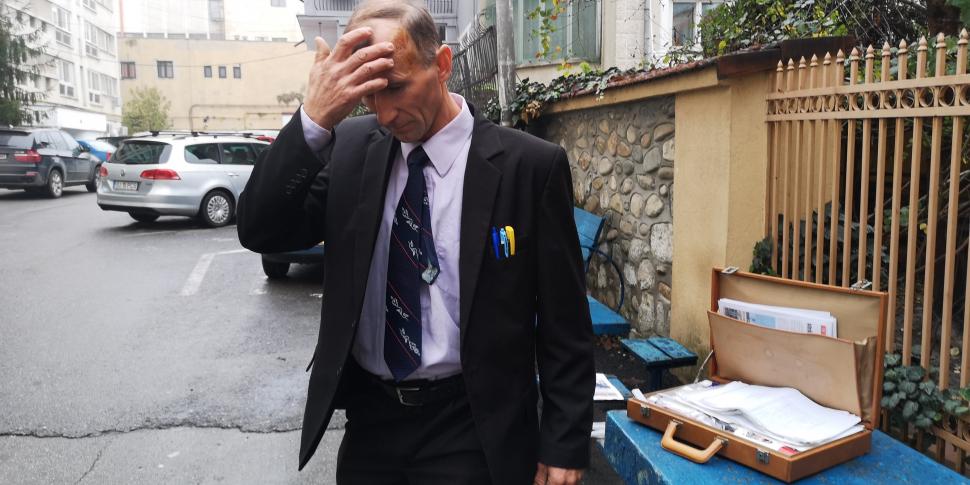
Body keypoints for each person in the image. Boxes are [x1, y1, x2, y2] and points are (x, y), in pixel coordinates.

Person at [237, 1, 593, 484]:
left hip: (473, 424)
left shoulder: (528, 166)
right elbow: (261, 229)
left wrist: (564, 441)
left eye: (396, 87)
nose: (384, 114)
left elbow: (564, 320)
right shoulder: (351, 150)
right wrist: (314, 121)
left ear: (442, 65)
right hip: (371, 423)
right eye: (369, 96)